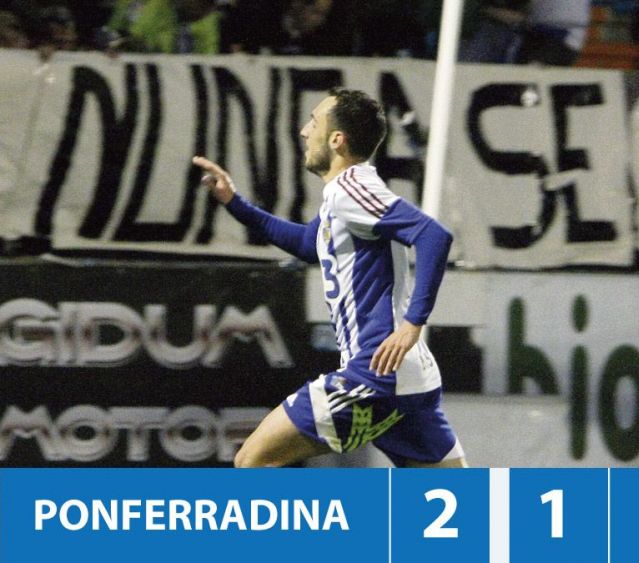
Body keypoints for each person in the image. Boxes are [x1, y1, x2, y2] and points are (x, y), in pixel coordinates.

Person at [193, 88, 467, 469]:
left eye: (314, 122)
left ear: (337, 140)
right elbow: (310, 243)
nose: (305, 132)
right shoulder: (346, 195)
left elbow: (433, 235)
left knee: (251, 461)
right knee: (460, 502)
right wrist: (235, 203)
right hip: (409, 380)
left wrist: (412, 324)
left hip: (373, 375)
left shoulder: (350, 190)